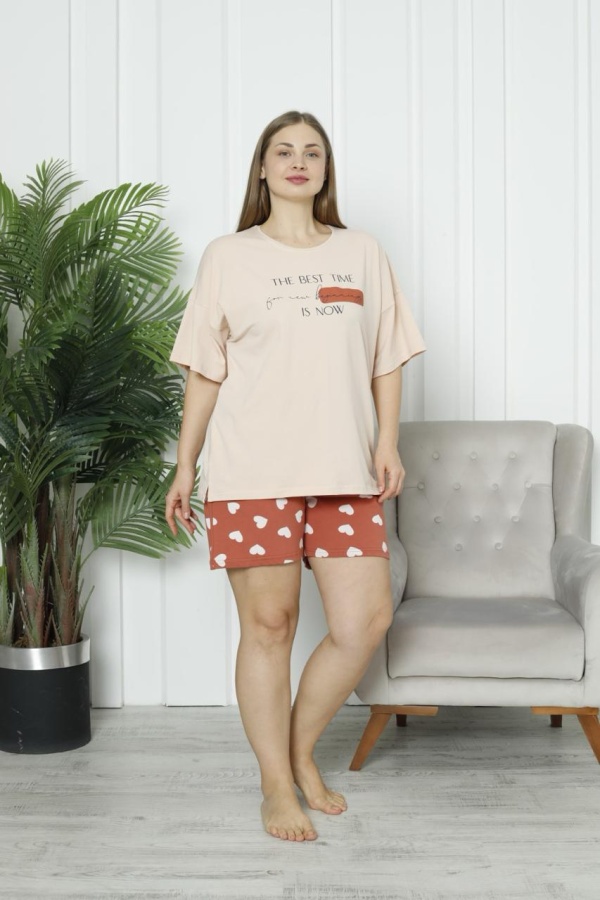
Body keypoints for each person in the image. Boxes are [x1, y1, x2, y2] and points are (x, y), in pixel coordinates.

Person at [165, 110, 426, 843]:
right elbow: (206, 371)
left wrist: (388, 443)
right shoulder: (228, 256)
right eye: (283, 151)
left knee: (363, 621)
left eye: (312, 151)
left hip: (344, 468)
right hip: (252, 469)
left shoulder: (361, 252)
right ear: (263, 167)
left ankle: (301, 752)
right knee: (269, 626)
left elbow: (385, 356)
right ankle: (276, 784)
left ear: (324, 170)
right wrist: (184, 463)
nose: (298, 161)